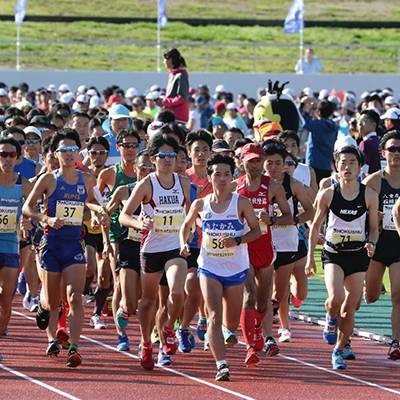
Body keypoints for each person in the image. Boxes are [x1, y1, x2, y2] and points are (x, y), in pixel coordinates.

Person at [22, 129, 110, 368]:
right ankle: (50, 335)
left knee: (75, 297)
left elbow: (92, 202)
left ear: (77, 152)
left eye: (73, 149)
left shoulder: (87, 178)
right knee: (51, 302)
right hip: (51, 244)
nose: (69, 154)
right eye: (64, 150)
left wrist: (97, 213)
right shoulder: (48, 179)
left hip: (74, 245)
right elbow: (27, 209)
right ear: (56, 153)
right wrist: (45, 219)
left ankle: (74, 347)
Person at [180, 154, 261, 381]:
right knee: (214, 315)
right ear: (210, 177)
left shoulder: (241, 203)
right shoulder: (200, 204)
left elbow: (256, 231)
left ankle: (227, 333)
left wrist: (237, 240)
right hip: (210, 266)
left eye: (227, 174)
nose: (222, 179)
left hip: (235, 268)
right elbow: (185, 226)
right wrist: (183, 243)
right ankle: (222, 365)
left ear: (232, 176)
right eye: (217, 174)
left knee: (230, 323)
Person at [119, 133, 191, 370]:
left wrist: (188, 233)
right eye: (163, 156)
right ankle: (146, 342)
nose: (168, 160)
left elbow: (190, 215)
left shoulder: (184, 183)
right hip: (151, 249)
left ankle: (169, 328)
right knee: (148, 302)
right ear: (154, 159)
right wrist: (140, 224)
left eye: (172, 156)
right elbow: (123, 216)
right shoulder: (146, 184)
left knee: (178, 293)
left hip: (175, 248)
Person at [306, 146, 378, 370]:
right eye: (343, 162)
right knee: (336, 298)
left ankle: (338, 350)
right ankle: (329, 319)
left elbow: (374, 229)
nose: (347, 167)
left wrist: (372, 243)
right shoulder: (328, 193)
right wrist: (310, 258)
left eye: (352, 163)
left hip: (357, 257)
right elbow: (315, 225)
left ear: (360, 167)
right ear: (336, 165)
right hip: (333, 254)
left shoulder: (369, 195)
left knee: (350, 308)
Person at [232, 143, 292, 366]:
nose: (255, 165)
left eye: (259, 161)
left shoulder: (273, 187)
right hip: (243, 249)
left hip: (265, 248)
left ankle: (258, 327)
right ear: (242, 162)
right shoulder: (234, 188)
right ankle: (249, 347)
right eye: (251, 161)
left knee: (263, 301)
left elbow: (289, 216)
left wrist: (272, 220)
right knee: (249, 295)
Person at [263, 140, 314, 343]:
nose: (273, 167)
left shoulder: (292, 184)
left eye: (277, 163)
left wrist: (295, 220)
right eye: (269, 163)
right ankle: (277, 328)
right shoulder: (256, 182)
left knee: (280, 292)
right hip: (262, 242)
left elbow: (310, 210)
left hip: (287, 242)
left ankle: (276, 318)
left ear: (284, 163)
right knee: (263, 290)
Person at [97, 128, 140, 350]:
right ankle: (121, 334)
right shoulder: (109, 175)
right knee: (118, 285)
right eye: (126, 145)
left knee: (139, 292)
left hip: (144, 236)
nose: (130, 149)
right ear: (118, 147)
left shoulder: (148, 172)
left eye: (134, 145)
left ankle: (128, 313)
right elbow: (96, 203)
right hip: (116, 233)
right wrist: (105, 241)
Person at [104, 151, 154, 337]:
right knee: (131, 303)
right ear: (135, 168)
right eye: (142, 167)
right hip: (129, 249)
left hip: (152, 249)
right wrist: (105, 240)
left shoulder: (159, 192)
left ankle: (147, 340)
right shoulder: (124, 190)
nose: (146, 171)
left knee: (146, 299)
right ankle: (124, 311)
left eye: (150, 168)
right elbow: (106, 212)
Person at [364, 130, 400, 361]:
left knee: (398, 295)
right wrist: (372, 218)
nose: (396, 154)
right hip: (377, 245)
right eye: (392, 149)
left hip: (398, 245)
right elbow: (357, 212)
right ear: (383, 153)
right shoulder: (374, 181)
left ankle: (396, 342)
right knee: (372, 297)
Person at [0, 137, 32, 361]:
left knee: (5, 297)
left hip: (11, 245)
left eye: (12, 155)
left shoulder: (25, 184)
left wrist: (27, 221)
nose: (7, 159)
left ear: (19, 157)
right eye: (3, 154)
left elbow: (33, 210)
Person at [84, 136, 111, 330]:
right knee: (89, 267)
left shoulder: (112, 175)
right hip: (87, 229)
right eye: (93, 152)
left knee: (104, 276)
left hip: (107, 231)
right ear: (88, 154)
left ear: (108, 154)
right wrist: (93, 212)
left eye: (102, 152)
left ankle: (96, 314)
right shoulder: (82, 175)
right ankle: (84, 291)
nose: (97, 156)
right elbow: (84, 201)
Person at [303, 99, 337, 185]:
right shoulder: (332, 125)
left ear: (318, 112)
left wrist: (303, 106)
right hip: (326, 165)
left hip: (314, 165)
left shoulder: (318, 125)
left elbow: (302, 121)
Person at [163, 48, 190, 123]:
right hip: (171, 115)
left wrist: (164, 102)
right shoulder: (173, 74)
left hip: (178, 117)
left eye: (165, 59)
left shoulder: (181, 75)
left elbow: (182, 98)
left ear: (170, 60)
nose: (163, 62)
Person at [358, 109, 382, 175]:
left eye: (364, 121)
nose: (359, 124)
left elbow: (363, 171)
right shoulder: (381, 142)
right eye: (359, 121)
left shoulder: (366, 143)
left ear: (374, 125)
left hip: (370, 183)